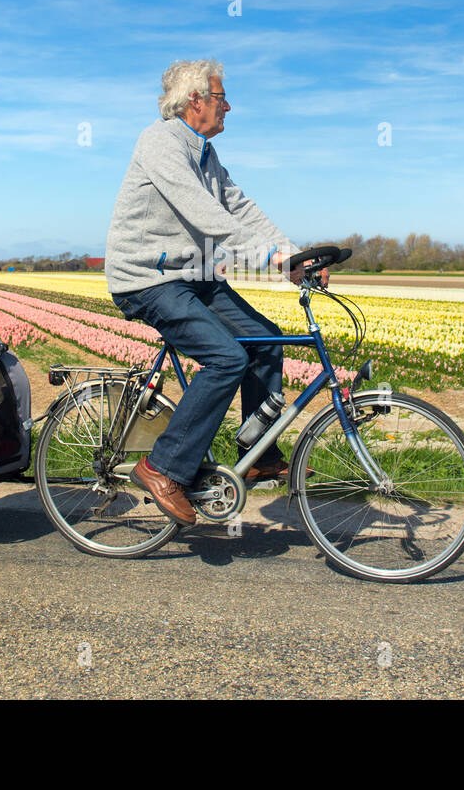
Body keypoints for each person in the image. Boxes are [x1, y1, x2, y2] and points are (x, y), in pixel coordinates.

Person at [105, 59, 325, 527]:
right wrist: (273, 259)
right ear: (194, 102)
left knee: (265, 340)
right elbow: (208, 217)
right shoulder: (160, 142)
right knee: (227, 358)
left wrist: (295, 256)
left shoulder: (206, 154)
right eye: (222, 97)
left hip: (194, 276)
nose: (229, 106)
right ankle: (162, 466)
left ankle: (256, 446)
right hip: (149, 279)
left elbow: (241, 208)